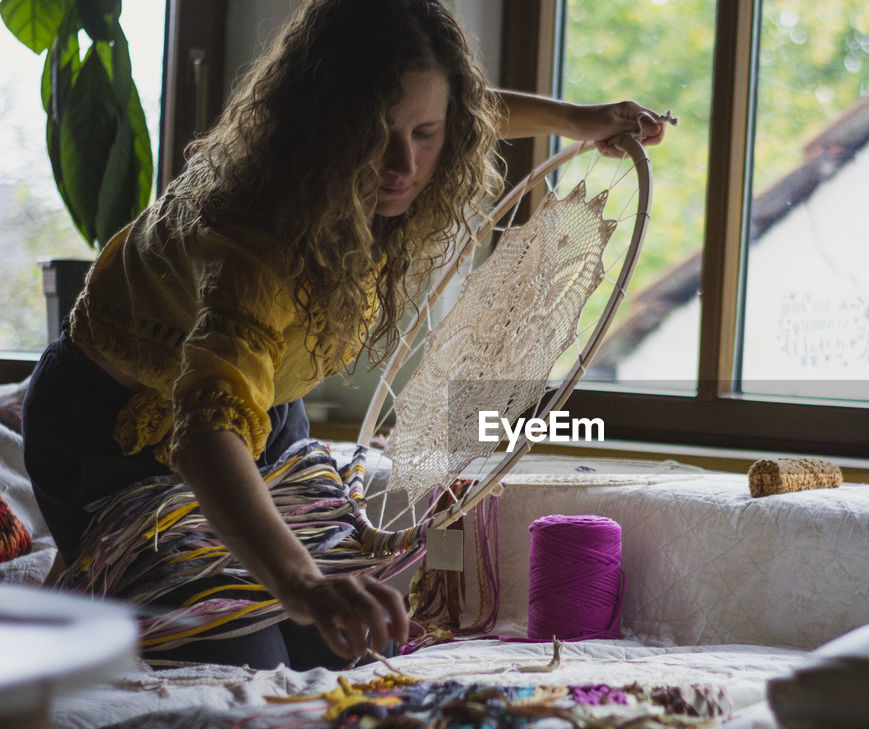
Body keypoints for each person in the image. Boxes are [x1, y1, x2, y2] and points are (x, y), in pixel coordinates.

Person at [21, 0, 667, 669]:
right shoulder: (249, 240)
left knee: (362, 636)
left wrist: (574, 119)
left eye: (425, 135)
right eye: (372, 133)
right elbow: (209, 432)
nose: (403, 164)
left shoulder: (401, 160)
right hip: (110, 436)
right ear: (318, 127)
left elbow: (464, 114)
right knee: (248, 652)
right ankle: (96, 570)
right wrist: (301, 582)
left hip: (263, 426)